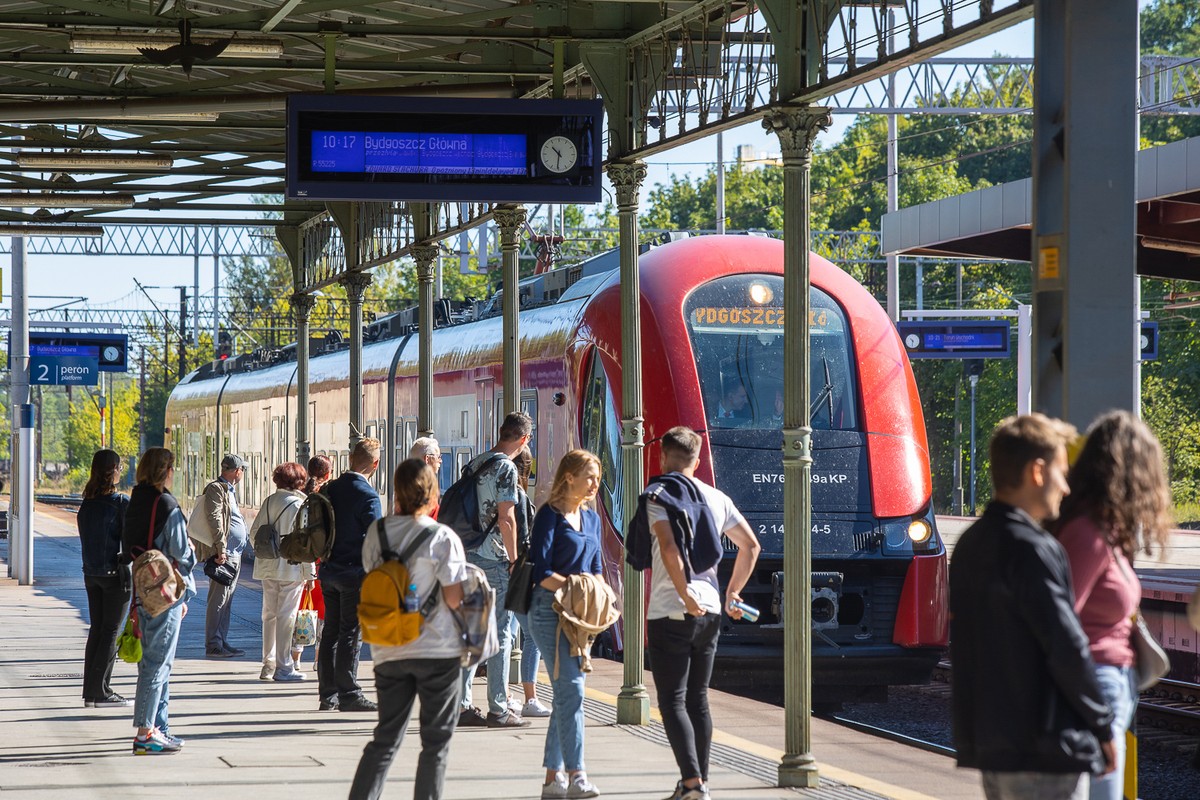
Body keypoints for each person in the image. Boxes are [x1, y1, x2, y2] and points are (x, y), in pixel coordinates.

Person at [950, 414, 1116, 800]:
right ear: (1037, 471)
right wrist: (1103, 726)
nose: (1065, 486)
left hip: (993, 743)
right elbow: (1065, 645)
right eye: (1061, 471)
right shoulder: (1033, 550)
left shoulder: (970, 545)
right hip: (1044, 745)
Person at [1053, 411, 1172, 800]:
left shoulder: (1106, 529)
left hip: (1105, 680)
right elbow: (1060, 621)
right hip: (1094, 683)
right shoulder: (1088, 534)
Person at [644, 427, 762, 800]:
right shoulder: (717, 498)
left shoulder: (659, 496)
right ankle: (697, 785)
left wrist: (683, 594)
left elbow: (667, 547)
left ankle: (693, 784)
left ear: (663, 457)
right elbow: (751, 546)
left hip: (670, 609)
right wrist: (732, 594)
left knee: (673, 701)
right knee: (699, 699)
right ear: (697, 461)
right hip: (711, 609)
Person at [348, 458, 468, 800]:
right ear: (432, 493)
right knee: (436, 744)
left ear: (396, 490)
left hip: (388, 648)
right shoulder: (442, 537)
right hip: (438, 649)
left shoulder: (378, 532)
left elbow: (376, 579)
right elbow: (454, 598)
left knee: (385, 738)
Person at [528, 449, 607, 800]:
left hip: (580, 615)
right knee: (572, 689)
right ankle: (577, 775)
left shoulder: (591, 520)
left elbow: (597, 568)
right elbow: (541, 572)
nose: (594, 484)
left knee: (564, 693)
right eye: (589, 476)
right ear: (569, 476)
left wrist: (599, 594)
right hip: (548, 611)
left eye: (597, 477)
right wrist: (575, 586)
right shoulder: (549, 515)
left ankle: (551, 779)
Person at [457, 412, 533, 729]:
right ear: (524, 439)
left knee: (473, 632)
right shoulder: (505, 467)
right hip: (496, 558)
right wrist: (515, 560)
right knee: (501, 633)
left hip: (469, 554)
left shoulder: (476, 463)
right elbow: (506, 518)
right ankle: (498, 708)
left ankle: (460, 706)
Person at [123, 447, 196, 755]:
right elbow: (181, 551)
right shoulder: (166, 503)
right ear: (166, 471)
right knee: (157, 664)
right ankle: (145, 733)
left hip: (142, 589)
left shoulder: (135, 500)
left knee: (152, 663)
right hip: (164, 593)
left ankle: (158, 727)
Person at [318, 437, 383, 713]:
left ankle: (327, 694)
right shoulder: (367, 495)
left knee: (331, 631)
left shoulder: (331, 488)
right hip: (354, 574)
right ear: (375, 464)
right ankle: (349, 693)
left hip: (329, 570)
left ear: (350, 458)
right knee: (350, 632)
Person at [77, 449, 133, 708]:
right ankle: (102, 692)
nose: (121, 471)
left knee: (97, 630)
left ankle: (91, 692)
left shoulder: (86, 503)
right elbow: (130, 541)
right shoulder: (120, 502)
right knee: (110, 632)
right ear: (113, 470)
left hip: (91, 575)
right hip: (115, 577)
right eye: (119, 467)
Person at [254, 461, 316, 682]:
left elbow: (254, 533)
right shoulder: (300, 505)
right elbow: (305, 542)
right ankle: (284, 667)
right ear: (299, 481)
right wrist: (310, 574)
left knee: (269, 615)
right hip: (291, 568)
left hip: (267, 566)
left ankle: (267, 665)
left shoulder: (269, 501)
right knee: (286, 616)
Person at [510, 444, 550, 718]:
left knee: (506, 635)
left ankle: (504, 694)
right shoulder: (520, 497)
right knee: (532, 637)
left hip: (504, 571)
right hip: (519, 573)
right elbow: (525, 537)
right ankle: (530, 698)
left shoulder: (502, 494)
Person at [198, 454, 249, 658]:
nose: (243, 473)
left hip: (233, 553)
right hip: (225, 554)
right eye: (242, 470)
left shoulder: (229, 490)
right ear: (237, 471)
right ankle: (213, 644)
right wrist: (220, 548)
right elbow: (214, 518)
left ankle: (221, 640)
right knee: (218, 599)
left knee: (227, 600)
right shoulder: (216, 489)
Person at [299, 454, 334, 671]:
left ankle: (295, 658)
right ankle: (318, 659)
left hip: (303, 559)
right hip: (321, 562)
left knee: (301, 611)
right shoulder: (328, 497)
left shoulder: (301, 495)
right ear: (328, 474)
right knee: (323, 614)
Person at [409, 437, 443, 518]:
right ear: (427, 459)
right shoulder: (427, 488)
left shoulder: (405, 484)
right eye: (438, 456)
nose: (440, 461)